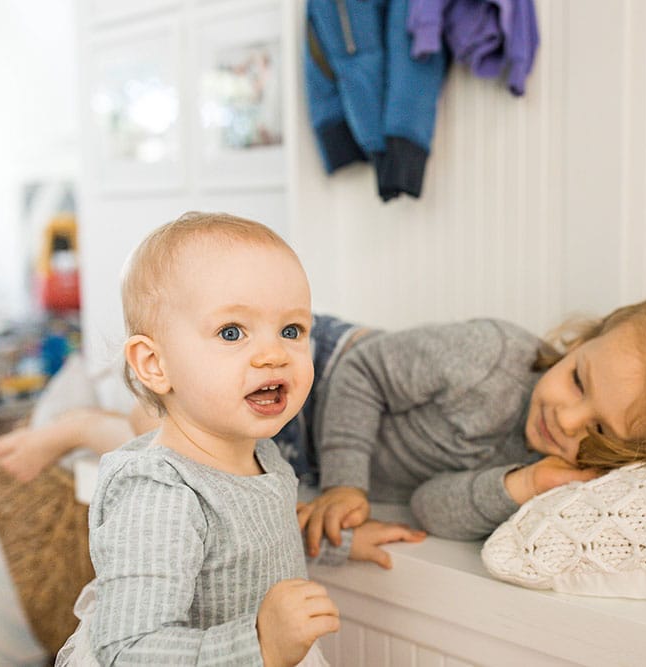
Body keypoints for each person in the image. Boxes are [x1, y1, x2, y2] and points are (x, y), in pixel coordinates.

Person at [56, 212, 424, 667]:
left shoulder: (261, 453)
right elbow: (128, 651)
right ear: (154, 364)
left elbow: (252, 537)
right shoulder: (159, 495)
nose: (273, 354)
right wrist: (258, 644)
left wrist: (338, 543)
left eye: (292, 331)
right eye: (231, 332)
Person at [297, 295, 646, 553]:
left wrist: (525, 485)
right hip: (319, 372)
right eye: (579, 381)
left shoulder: (550, 461)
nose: (567, 419)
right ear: (580, 344)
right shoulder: (491, 356)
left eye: (600, 432)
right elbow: (362, 372)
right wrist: (346, 483)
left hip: (303, 458)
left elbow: (427, 502)